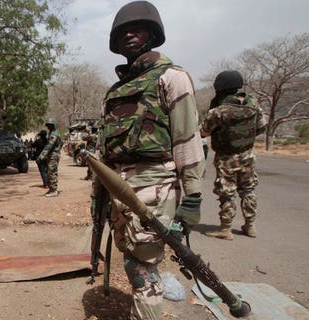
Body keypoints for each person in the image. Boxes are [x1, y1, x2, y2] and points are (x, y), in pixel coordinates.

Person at [96, 2, 205, 319]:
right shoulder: (116, 90)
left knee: (143, 264)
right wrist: (102, 196)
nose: (129, 34)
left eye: (138, 28)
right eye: (122, 32)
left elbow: (187, 138)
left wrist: (193, 195)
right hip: (120, 189)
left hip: (155, 186)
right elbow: (106, 151)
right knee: (132, 259)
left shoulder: (172, 78)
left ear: (153, 34)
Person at [200, 70, 266, 240]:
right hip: (248, 156)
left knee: (227, 193)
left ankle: (225, 229)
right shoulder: (254, 105)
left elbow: (203, 132)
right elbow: (261, 127)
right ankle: (250, 226)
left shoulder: (219, 111)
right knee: (248, 190)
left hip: (226, 158)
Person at [37, 119, 63, 197]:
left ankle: (54, 190)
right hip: (52, 154)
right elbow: (61, 143)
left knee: (52, 172)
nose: (47, 126)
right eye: (47, 125)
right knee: (49, 171)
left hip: (53, 155)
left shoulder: (54, 134)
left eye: (49, 125)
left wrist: (41, 156)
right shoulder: (52, 133)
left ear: (53, 125)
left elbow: (49, 146)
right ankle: (51, 189)